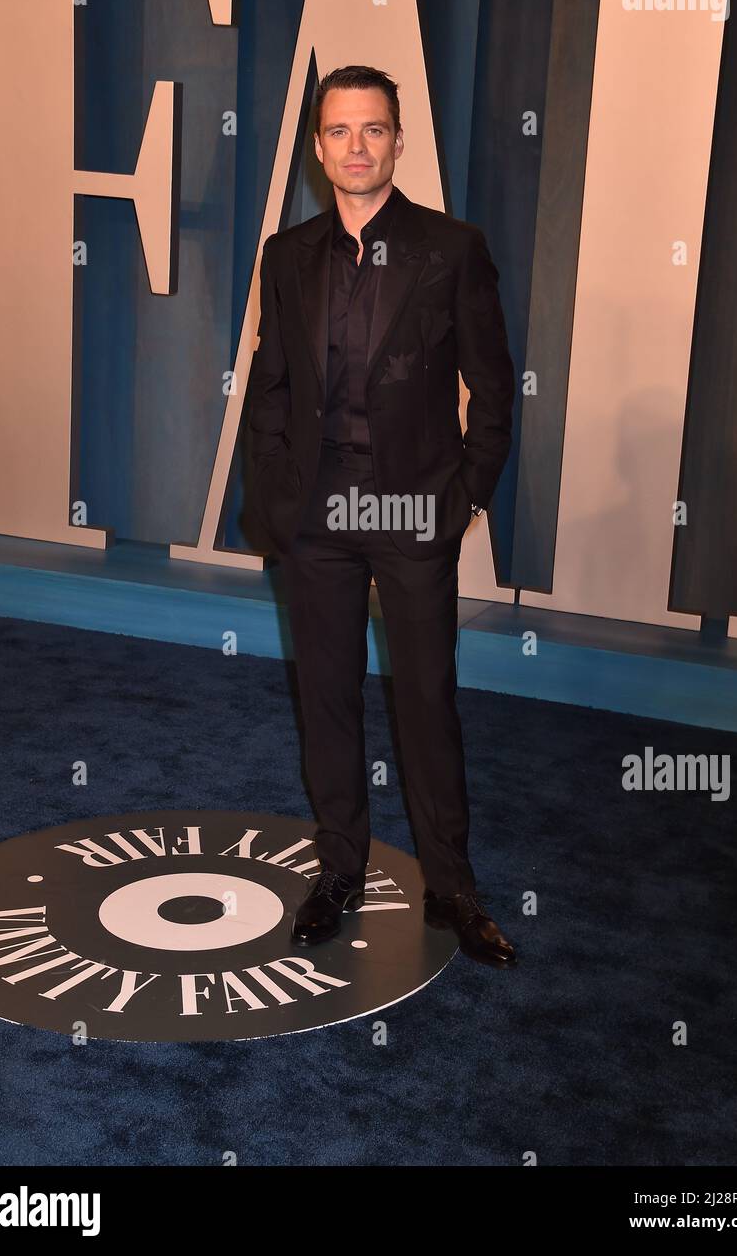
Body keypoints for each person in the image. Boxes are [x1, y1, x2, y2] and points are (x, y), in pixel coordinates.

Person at [245, 65, 516, 967]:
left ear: (398, 141)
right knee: (324, 697)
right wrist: (277, 501)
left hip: (412, 509)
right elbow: (272, 386)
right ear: (317, 148)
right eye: (337, 131)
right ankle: (338, 873)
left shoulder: (451, 248)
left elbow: (491, 385)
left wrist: (466, 495)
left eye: (372, 130)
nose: (355, 147)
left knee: (425, 698)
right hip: (316, 512)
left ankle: (453, 889)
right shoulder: (287, 254)